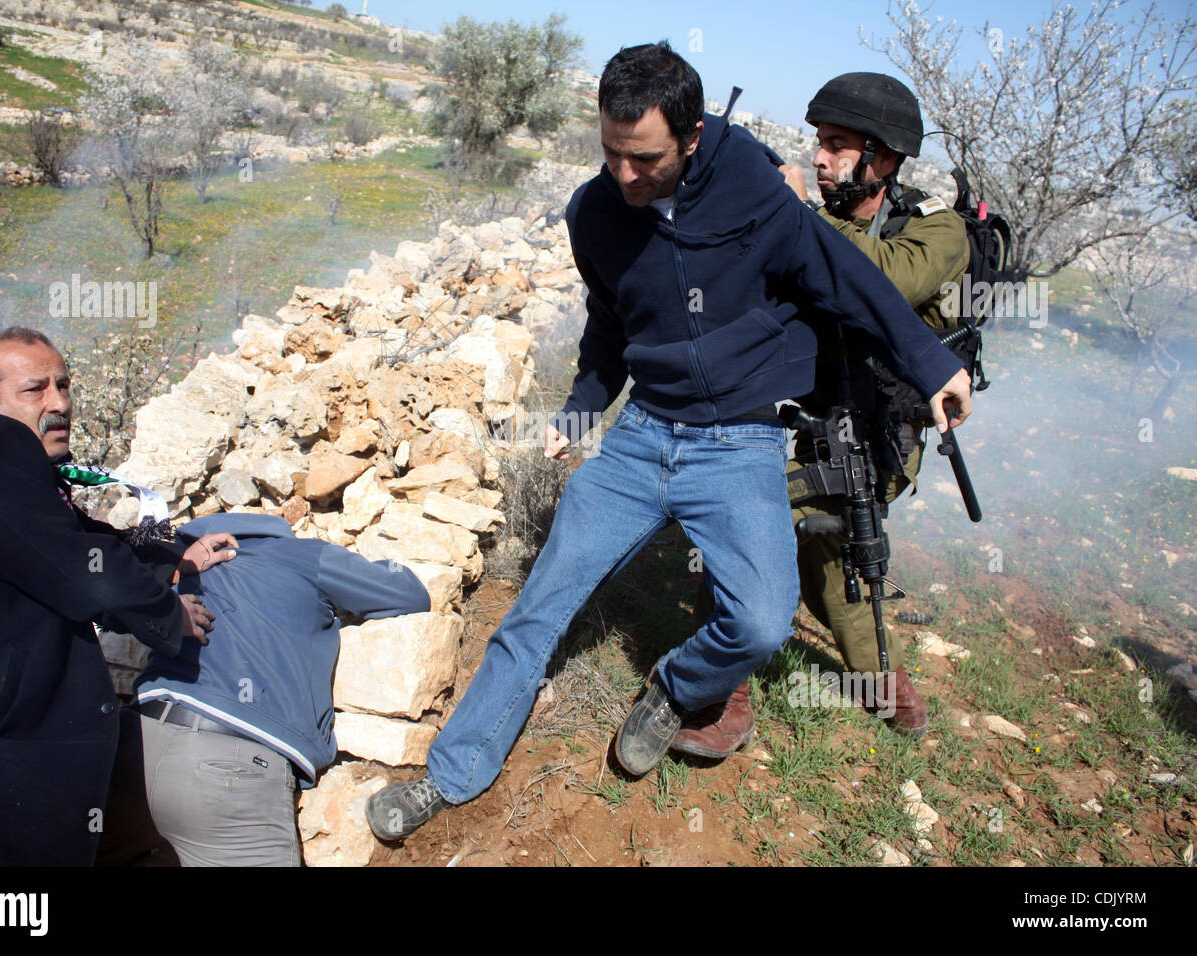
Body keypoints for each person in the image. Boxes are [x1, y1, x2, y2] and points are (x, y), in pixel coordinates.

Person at [366, 42, 972, 842]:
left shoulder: (753, 185)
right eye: (610, 154)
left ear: (690, 137)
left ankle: (674, 688)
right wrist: (583, 408)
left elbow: (844, 275)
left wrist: (930, 364)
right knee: (540, 608)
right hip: (641, 438)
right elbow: (611, 322)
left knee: (758, 623)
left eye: (643, 157)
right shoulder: (595, 213)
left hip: (741, 447)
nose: (624, 174)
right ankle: (449, 776)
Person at [671, 72, 970, 754]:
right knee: (799, 544)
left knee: (829, 554)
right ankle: (731, 692)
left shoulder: (937, 231)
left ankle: (864, 680)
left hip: (878, 433)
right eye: (817, 143)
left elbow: (879, 280)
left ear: (883, 159)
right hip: (805, 417)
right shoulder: (809, 220)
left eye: (836, 145)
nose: (820, 157)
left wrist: (799, 213)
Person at [0, 326, 232, 866]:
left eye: (64, 385)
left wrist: (173, 559)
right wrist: (167, 614)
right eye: (35, 390)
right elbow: (84, 572)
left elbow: (70, 539)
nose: (58, 404)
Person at [103, 512, 431, 867]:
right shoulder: (299, 554)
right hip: (229, 764)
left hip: (129, 745)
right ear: (274, 531)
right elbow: (409, 594)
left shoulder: (174, 568)